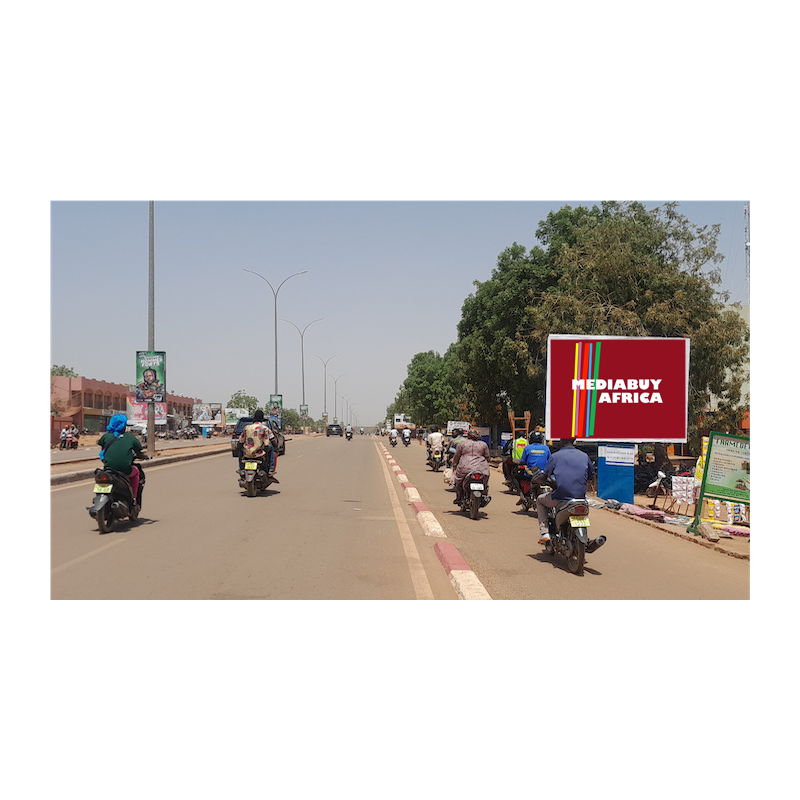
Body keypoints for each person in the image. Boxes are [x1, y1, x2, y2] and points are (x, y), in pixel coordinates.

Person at [533, 438, 594, 544]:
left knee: (540, 500)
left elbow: (544, 476)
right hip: (580, 498)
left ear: (561, 441)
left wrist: (536, 481)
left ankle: (545, 532)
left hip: (561, 498)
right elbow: (591, 475)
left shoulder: (555, 456)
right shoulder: (584, 456)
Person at [97, 414, 150, 508]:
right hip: (125, 470)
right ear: (124, 425)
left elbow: (103, 452)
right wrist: (145, 457)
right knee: (136, 472)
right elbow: (139, 453)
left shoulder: (106, 437)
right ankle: (133, 498)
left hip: (108, 470)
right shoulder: (130, 437)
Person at [451, 428, 491, 504]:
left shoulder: (462, 444)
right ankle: (484, 494)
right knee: (485, 480)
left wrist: (454, 463)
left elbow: (456, 456)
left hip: (464, 467)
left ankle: (459, 497)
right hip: (481, 468)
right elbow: (487, 457)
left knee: (458, 480)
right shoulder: (483, 444)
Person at [239, 409, 276, 475]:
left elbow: (241, 441)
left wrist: (237, 448)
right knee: (272, 448)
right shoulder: (265, 429)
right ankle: (271, 469)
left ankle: (241, 469)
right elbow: (272, 440)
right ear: (262, 419)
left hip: (248, 452)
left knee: (240, 449)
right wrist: (276, 447)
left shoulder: (247, 428)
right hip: (260, 453)